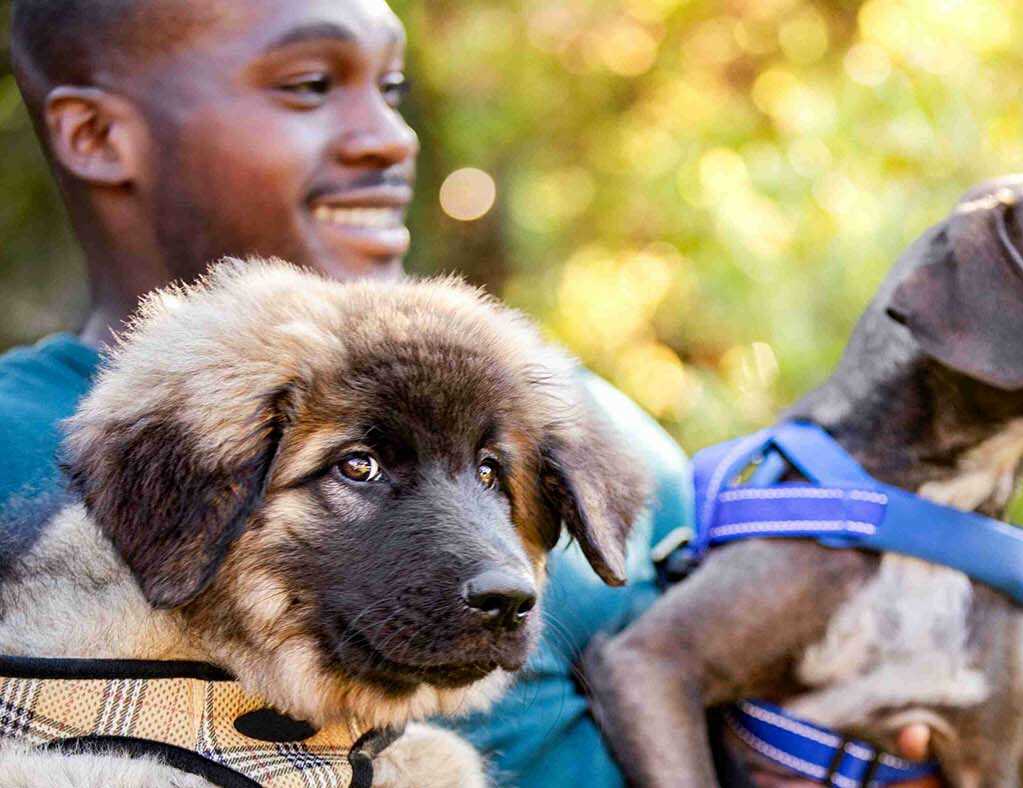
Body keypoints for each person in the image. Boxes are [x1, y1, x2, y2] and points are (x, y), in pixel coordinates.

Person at [0, 1, 689, 785]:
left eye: (392, 88)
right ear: (96, 135)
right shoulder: (27, 450)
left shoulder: (592, 426)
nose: (393, 137)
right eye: (310, 84)